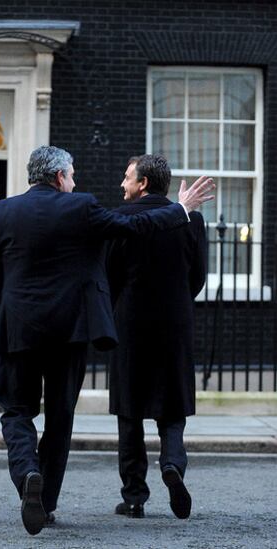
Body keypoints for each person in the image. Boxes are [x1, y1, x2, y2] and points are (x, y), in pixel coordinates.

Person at [0, 146, 213, 536]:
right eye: (72, 175)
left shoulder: (3, 212)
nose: (75, 182)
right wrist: (180, 209)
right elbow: (134, 227)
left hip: (19, 329)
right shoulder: (81, 208)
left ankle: (27, 476)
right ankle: (47, 502)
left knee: (17, 411)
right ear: (58, 177)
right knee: (59, 420)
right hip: (70, 332)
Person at [106, 154, 207, 521]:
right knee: (173, 406)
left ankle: (134, 497)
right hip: (175, 323)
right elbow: (197, 277)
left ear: (143, 183)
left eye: (127, 176)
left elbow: (109, 273)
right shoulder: (191, 220)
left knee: (129, 411)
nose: (122, 184)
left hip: (129, 321)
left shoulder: (121, 219)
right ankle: (173, 465)